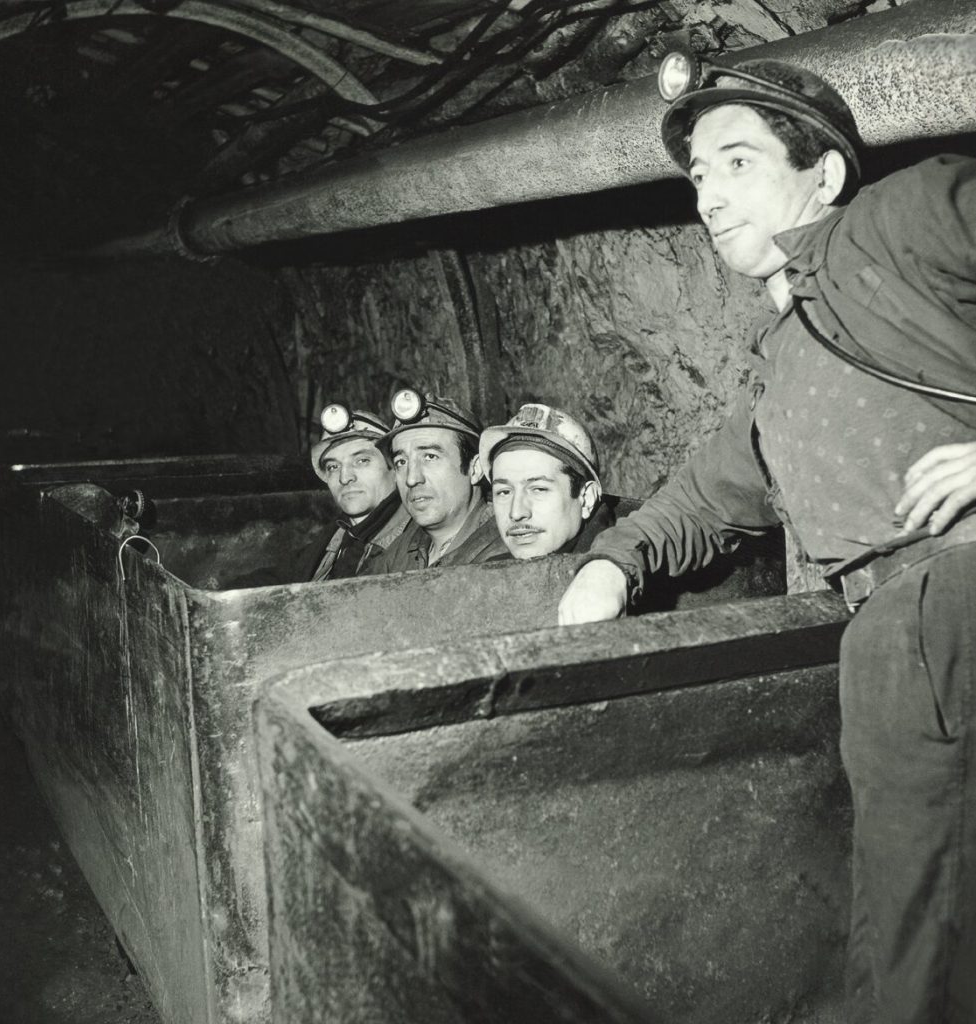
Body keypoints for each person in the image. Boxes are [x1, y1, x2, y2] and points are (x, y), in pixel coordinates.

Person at [557, 54, 976, 1023]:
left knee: (920, 961)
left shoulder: (901, 221)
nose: (708, 194)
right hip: (890, 643)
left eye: (737, 161)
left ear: (823, 174)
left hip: (949, 602)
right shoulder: (785, 358)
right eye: (699, 174)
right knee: (899, 949)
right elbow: (709, 494)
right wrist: (611, 565)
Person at [228, 405, 408, 586]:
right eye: (333, 467)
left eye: (361, 461)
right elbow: (281, 576)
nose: (344, 477)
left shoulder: (418, 542)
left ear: (394, 468)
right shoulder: (335, 538)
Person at [371, 388, 507, 572]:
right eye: (401, 462)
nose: (412, 479)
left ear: (475, 469)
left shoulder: (507, 551)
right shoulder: (400, 550)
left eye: (430, 457)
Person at [478, 402, 614, 559]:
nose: (516, 513)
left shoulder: (623, 568)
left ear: (586, 499)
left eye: (538, 489)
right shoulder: (489, 574)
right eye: (504, 492)